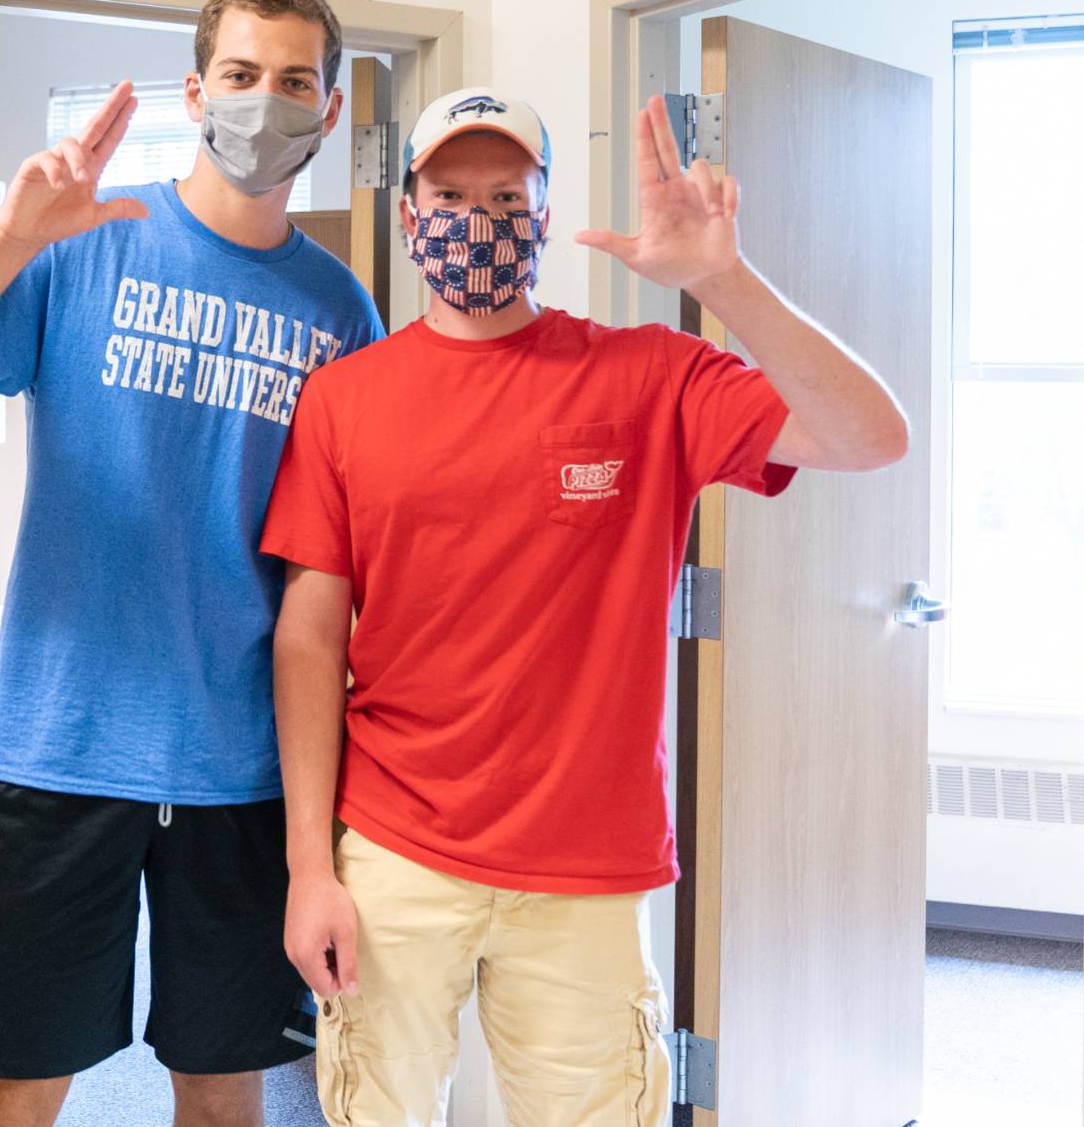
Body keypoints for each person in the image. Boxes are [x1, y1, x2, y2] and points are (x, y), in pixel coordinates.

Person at [260, 88, 909, 1125]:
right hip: (392, 847)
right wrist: (306, 867)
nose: (477, 216)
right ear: (407, 213)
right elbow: (305, 638)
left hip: (586, 866)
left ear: (546, 210)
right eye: (450, 192)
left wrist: (722, 279)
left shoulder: (646, 377)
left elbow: (868, 435)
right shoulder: (345, 398)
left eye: (505, 192)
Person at [0, 0, 386, 1127]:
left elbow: (333, 578)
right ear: (197, 91)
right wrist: (6, 234)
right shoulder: (86, 244)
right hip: (61, 748)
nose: (264, 102)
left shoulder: (342, 314)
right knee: (9, 1087)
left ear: (329, 111)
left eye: (294, 81)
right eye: (241, 76)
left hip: (237, 769)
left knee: (223, 1085)